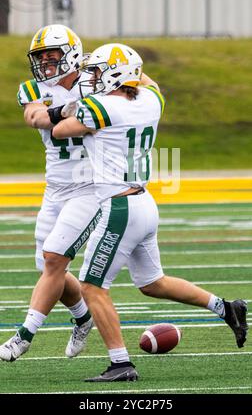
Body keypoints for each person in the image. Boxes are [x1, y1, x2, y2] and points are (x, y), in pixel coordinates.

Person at [53, 42, 247, 382]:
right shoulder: (151, 101)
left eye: (98, 71)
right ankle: (224, 307)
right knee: (152, 283)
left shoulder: (100, 106)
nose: (93, 78)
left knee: (92, 287)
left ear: (114, 74)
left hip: (119, 206)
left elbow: (58, 131)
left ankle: (120, 363)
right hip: (143, 202)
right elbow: (148, 83)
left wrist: (64, 109)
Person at [0, 24, 101, 362]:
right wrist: (69, 109)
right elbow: (35, 117)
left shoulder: (97, 82)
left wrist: (110, 74)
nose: (44, 63)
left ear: (71, 54)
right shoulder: (33, 88)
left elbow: (141, 85)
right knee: (47, 266)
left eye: (51, 55)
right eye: (40, 57)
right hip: (55, 187)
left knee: (56, 259)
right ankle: (84, 318)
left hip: (91, 185)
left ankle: (24, 336)